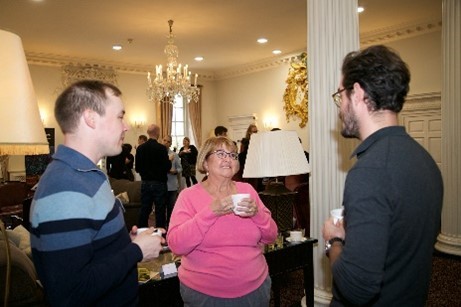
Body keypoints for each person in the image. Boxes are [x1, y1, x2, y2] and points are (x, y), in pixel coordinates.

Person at [322, 45, 443, 306]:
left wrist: (334, 240)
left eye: (340, 96)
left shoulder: (369, 172)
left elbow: (356, 287)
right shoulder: (425, 161)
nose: (340, 107)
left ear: (358, 94)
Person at [30, 80, 165, 306]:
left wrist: (122, 242)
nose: (127, 126)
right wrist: (135, 250)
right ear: (90, 118)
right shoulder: (66, 187)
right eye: (120, 116)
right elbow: (70, 293)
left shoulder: (89, 174)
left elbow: (90, 249)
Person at [167, 136, 278, 307]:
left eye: (233, 155)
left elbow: (271, 236)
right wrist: (210, 213)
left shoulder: (247, 190)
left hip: (256, 289)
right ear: (205, 163)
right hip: (204, 295)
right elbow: (176, 245)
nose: (228, 159)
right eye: (220, 153)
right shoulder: (188, 196)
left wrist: (257, 214)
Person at [135, 124, 172, 228]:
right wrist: (169, 160)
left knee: (144, 210)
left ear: (148, 133)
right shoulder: (161, 149)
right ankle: (160, 235)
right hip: (159, 183)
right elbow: (167, 167)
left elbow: (137, 168)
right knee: (160, 211)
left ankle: (141, 233)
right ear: (158, 133)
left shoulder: (140, 148)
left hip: (145, 183)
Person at [162, 135, 182, 229]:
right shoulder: (159, 154)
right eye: (164, 140)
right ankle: (162, 228)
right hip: (161, 185)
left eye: (168, 141)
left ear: (170, 143)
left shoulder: (175, 155)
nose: (166, 142)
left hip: (172, 185)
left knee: (171, 208)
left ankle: (170, 227)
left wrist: (175, 171)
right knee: (161, 208)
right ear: (162, 141)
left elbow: (180, 168)